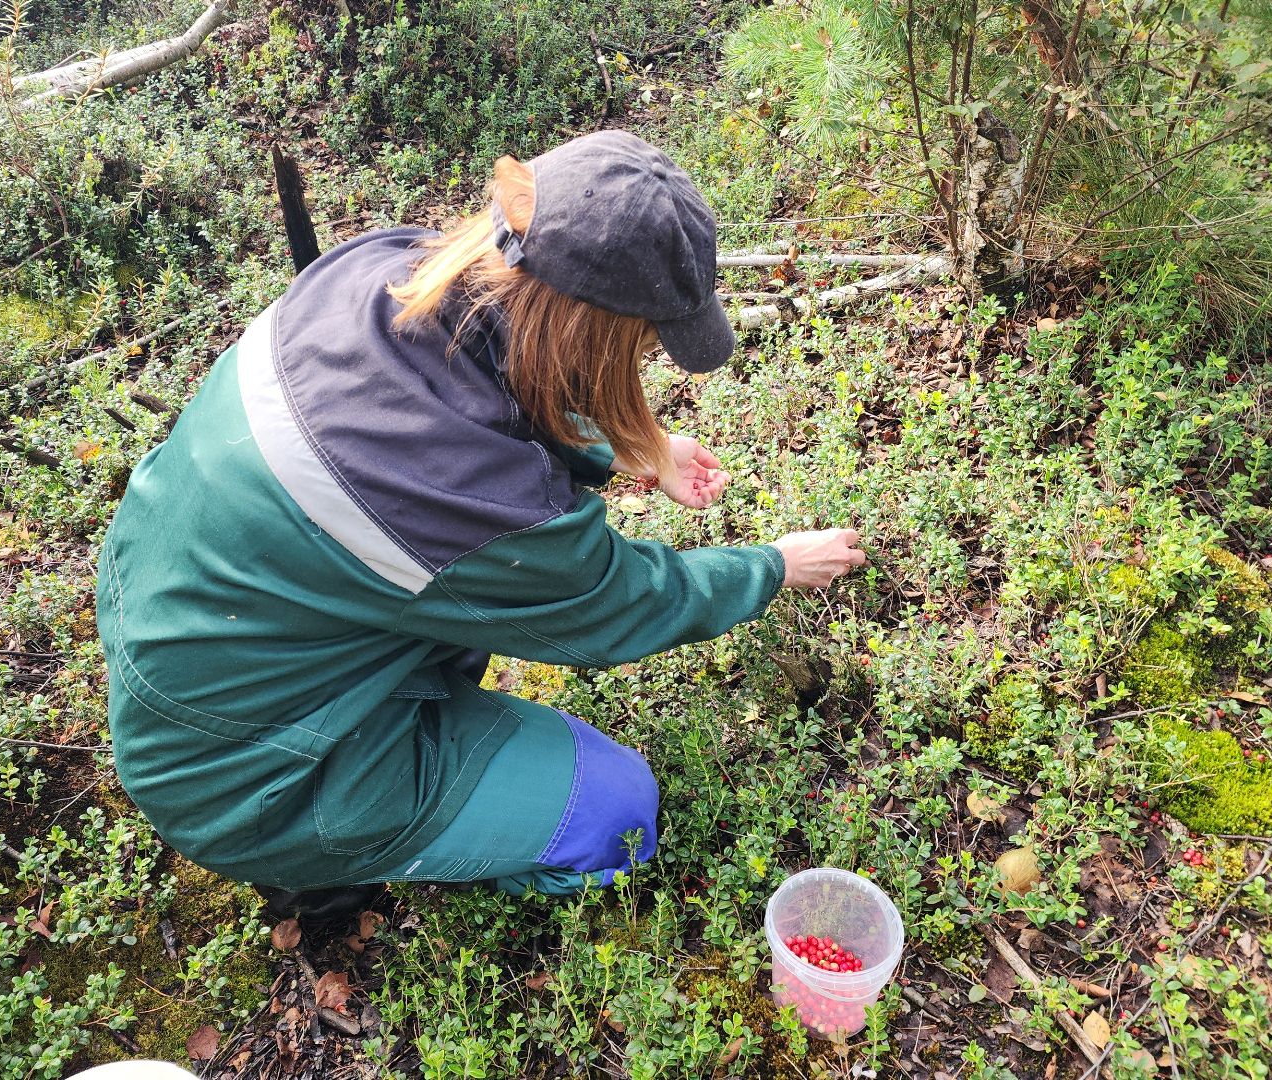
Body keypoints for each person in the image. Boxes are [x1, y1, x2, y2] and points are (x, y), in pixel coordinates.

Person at [96, 130, 867, 916]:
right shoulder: (476, 511)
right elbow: (620, 602)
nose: (641, 363)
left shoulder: (383, 267)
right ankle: (323, 866)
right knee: (618, 815)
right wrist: (774, 565)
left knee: (454, 613)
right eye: (640, 345)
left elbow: (475, 393)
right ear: (592, 333)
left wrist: (633, 448)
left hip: (179, 637)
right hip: (244, 771)